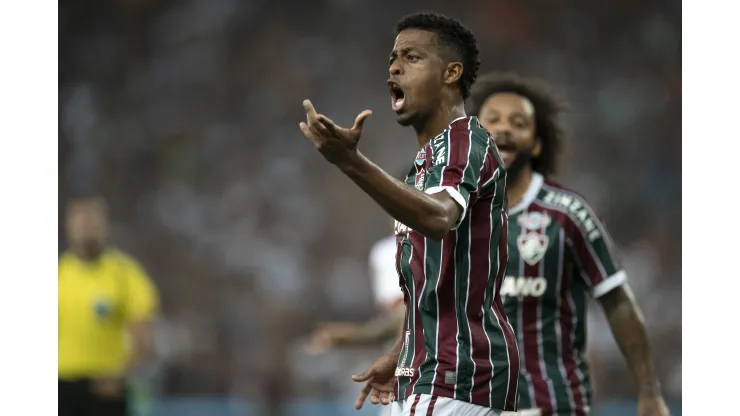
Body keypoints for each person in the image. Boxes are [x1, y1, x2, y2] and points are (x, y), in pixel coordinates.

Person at [299, 12, 519, 416]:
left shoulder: (463, 140)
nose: (395, 66)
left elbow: (439, 218)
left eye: (412, 57)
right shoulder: (427, 164)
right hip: (438, 370)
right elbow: (433, 287)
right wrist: (403, 353)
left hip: (457, 373)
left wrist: (351, 163)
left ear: (452, 72)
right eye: (392, 58)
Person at [468, 72, 670, 416]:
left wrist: (649, 390)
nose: (503, 129)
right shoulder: (455, 217)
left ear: (536, 143)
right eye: (493, 120)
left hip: (552, 405)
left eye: (518, 122)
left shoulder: (568, 214)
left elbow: (618, 300)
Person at [58, 195, 159, 416]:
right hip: (61, 385)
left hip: (106, 386)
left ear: (105, 226)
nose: (86, 231)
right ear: (69, 227)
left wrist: (122, 374)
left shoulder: (125, 274)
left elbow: (144, 336)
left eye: (92, 224)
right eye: (80, 224)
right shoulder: (58, 274)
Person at [306, 234, 404, 416]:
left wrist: (351, 337)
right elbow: (393, 324)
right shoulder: (387, 250)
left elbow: (403, 317)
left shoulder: (401, 251)